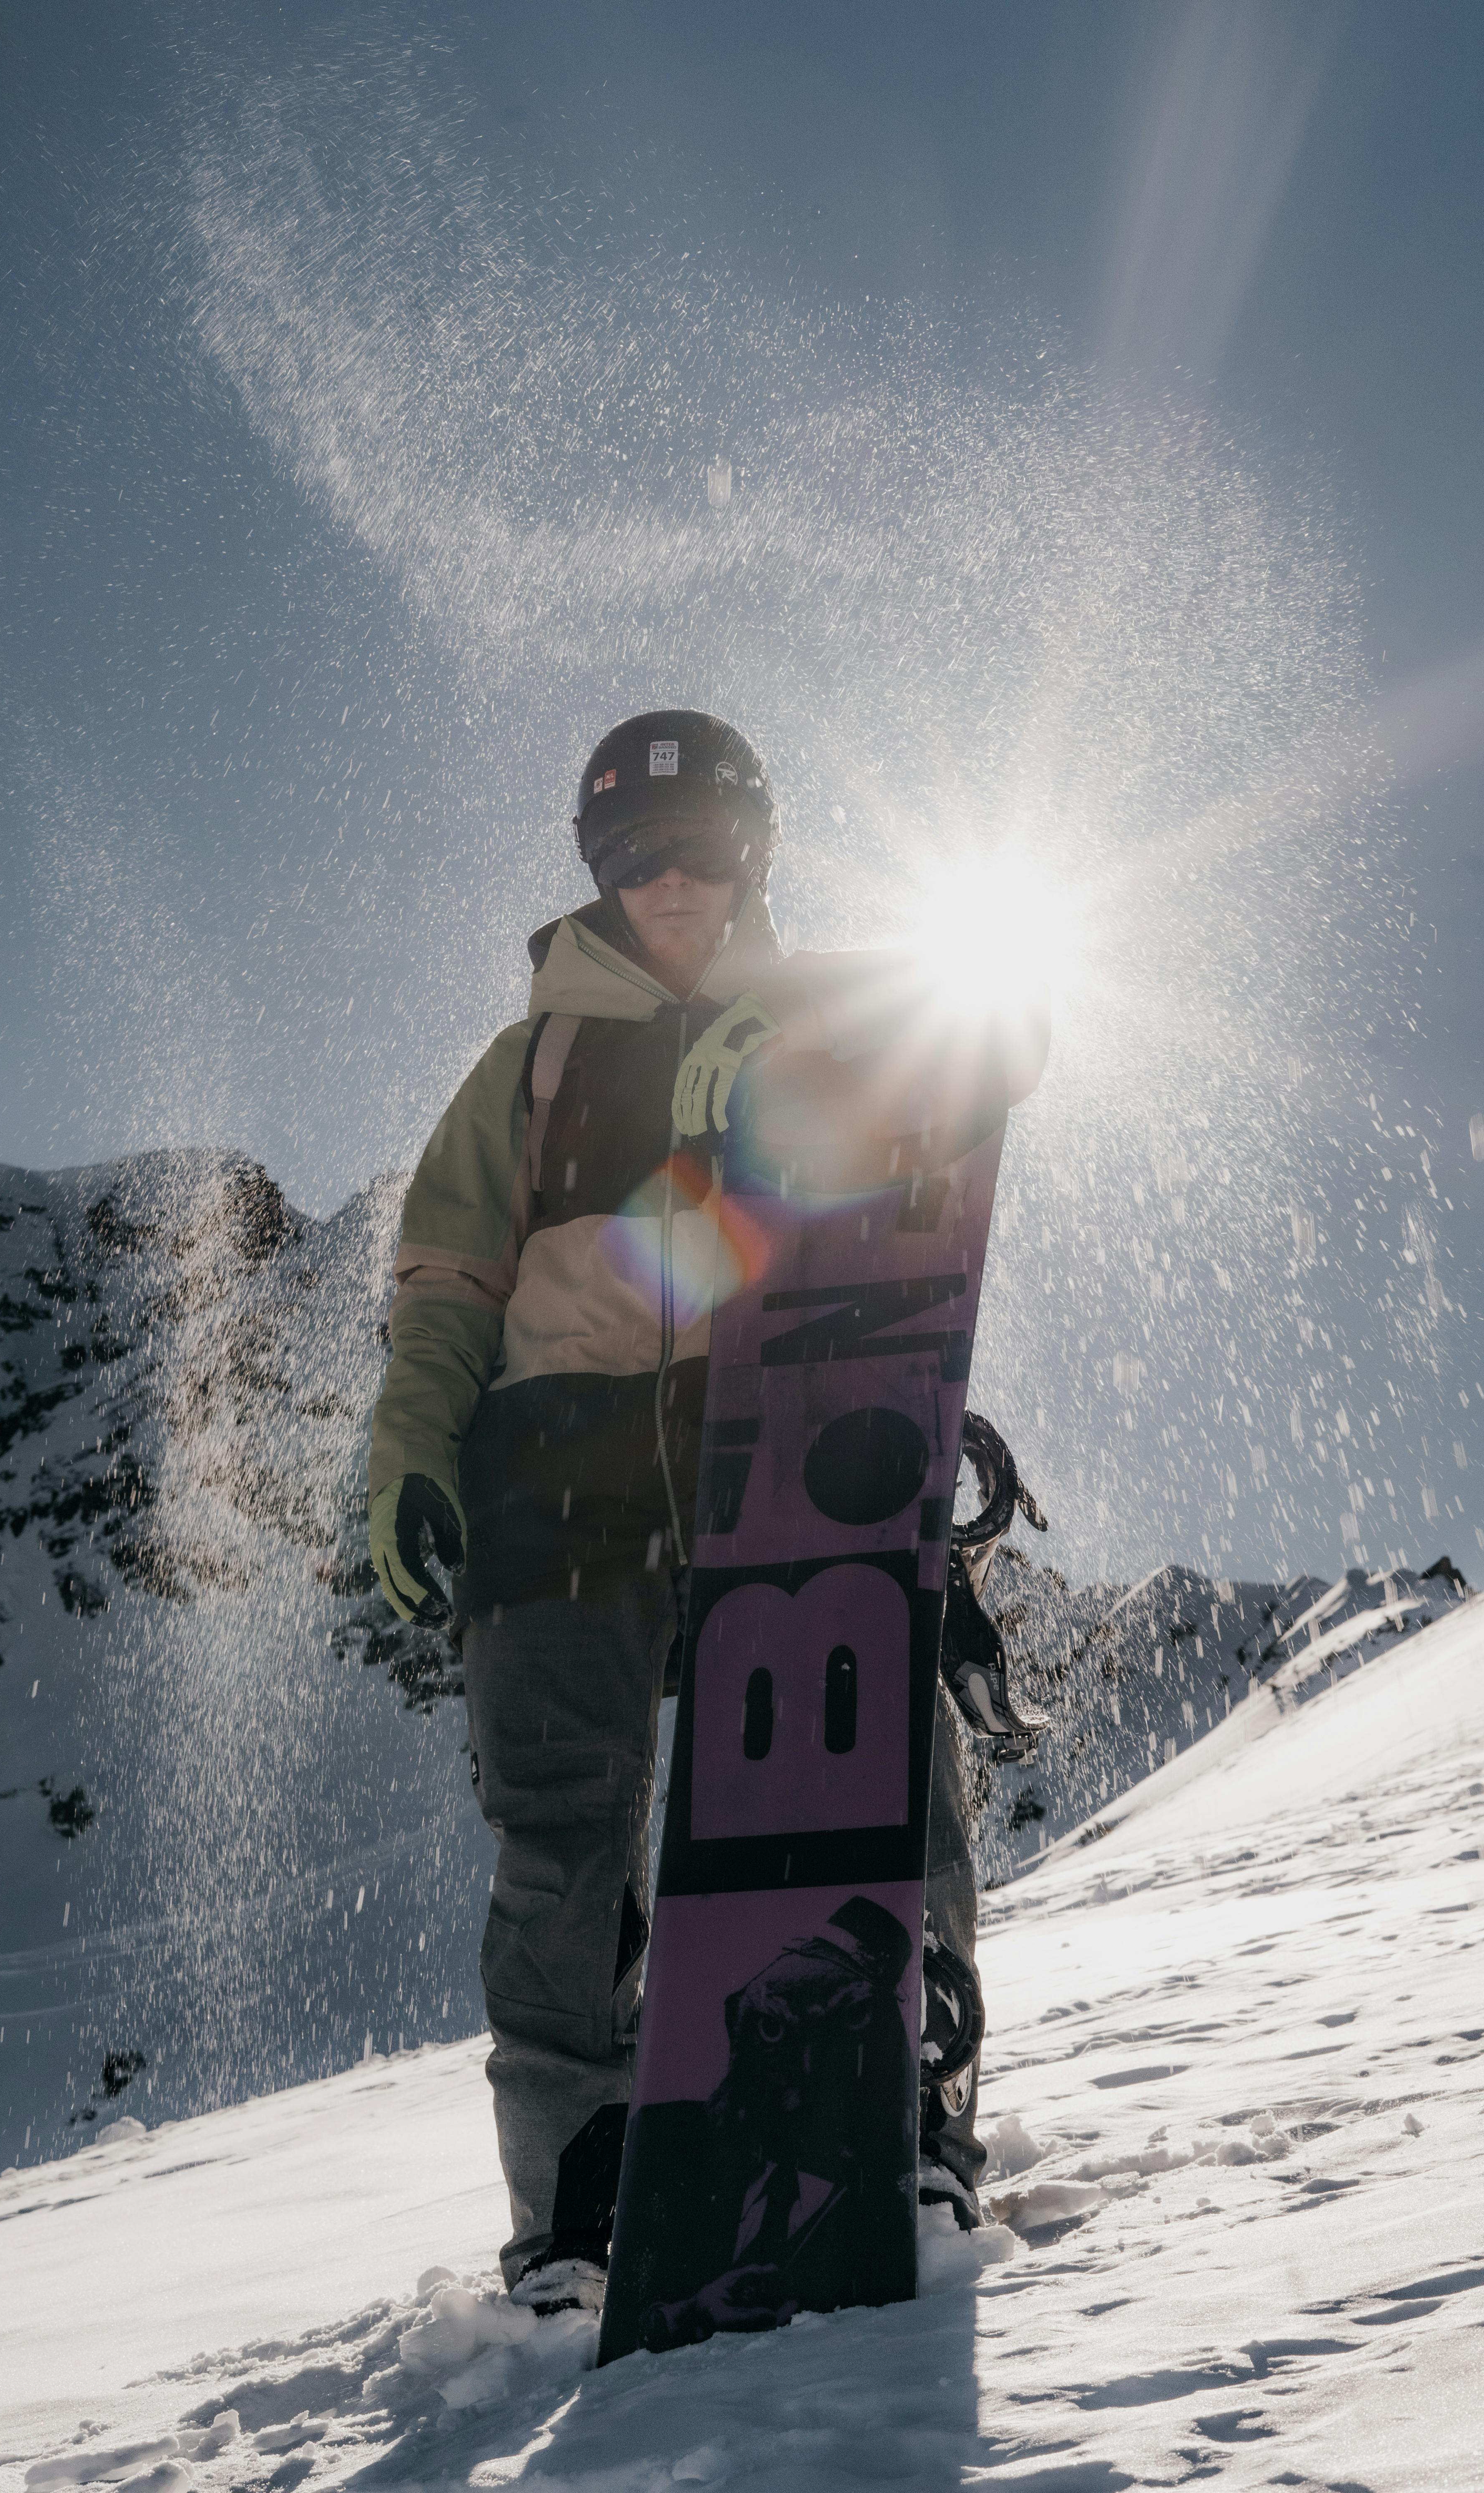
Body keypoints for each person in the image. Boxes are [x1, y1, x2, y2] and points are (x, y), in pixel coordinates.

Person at [366, 707, 1046, 2313]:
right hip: (558, 1479)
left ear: (754, 857)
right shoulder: (528, 1065)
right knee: (562, 1851)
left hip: (790, 1450)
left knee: (882, 1777)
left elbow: (1002, 1042)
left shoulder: (830, 1007)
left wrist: (804, 1061)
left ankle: (910, 2116)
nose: (668, 881)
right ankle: (577, 2212)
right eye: (632, 855)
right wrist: (412, 1450)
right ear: (595, 870)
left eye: (700, 850)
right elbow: (447, 1284)